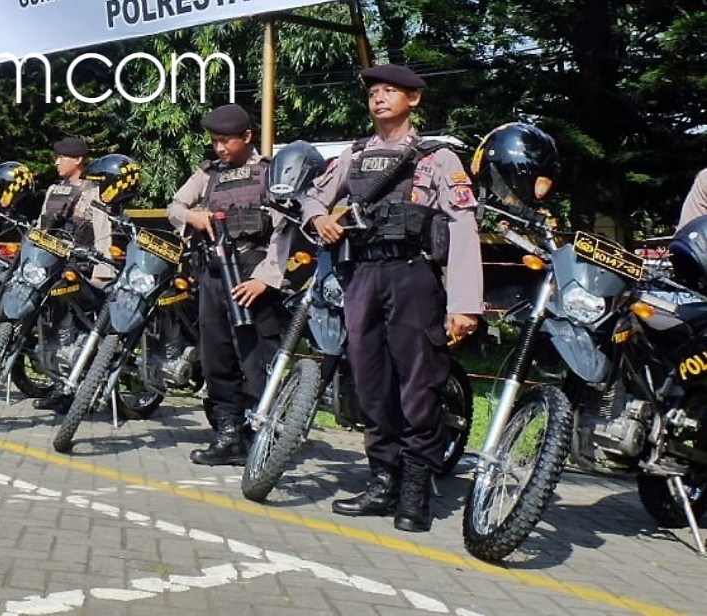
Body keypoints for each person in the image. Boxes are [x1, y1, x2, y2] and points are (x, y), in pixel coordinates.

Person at [301, 64, 483, 533]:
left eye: (390, 91)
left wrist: (465, 304)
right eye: (374, 92)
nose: (379, 98)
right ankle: (382, 480)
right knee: (369, 382)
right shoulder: (354, 155)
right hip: (362, 275)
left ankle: (415, 490)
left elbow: (463, 227)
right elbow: (312, 199)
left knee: (418, 384)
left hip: (412, 276)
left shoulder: (438, 158)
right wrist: (320, 218)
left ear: (414, 100)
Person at [166, 104, 290, 466]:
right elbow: (174, 206)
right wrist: (191, 215)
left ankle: (261, 434)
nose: (220, 149)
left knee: (256, 358)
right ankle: (228, 435)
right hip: (215, 273)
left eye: (226, 141)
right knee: (216, 355)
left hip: (254, 274)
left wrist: (265, 279)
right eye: (215, 141)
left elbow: (285, 229)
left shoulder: (270, 172)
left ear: (247, 137)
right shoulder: (208, 174)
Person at [31, 136, 114, 411]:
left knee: (74, 330)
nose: (56, 162)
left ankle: (75, 389)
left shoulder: (94, 192)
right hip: (51, 268)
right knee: (53, 327)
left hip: (81, 270)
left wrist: (103, 272)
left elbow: (103, 233)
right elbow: (41, 228)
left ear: (78, 160)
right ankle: (58, 383)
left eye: (62, 157)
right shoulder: (53, 191)